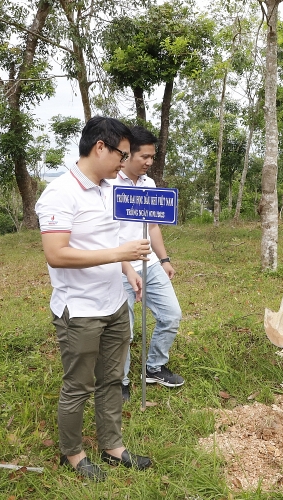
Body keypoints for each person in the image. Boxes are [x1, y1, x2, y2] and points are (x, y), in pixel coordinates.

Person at [35, 116, 153, 482]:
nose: (125, 162)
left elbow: (103, 242)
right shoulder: (59, 194)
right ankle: (73, 453)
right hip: (81, 309)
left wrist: (128, 270)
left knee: (112, 379)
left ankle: (113, 446)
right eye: (122, 154)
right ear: (100, 147)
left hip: (113, 302)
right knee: (79, 385)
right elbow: (57, 253)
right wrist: (121, 253)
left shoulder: (107, 188)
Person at [114, 126, 184, 402]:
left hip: (150, 264)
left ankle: (154, 367)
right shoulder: (109, 185)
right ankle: (121, 380)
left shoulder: (149, 185)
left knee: (171, 315)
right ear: (127, 154)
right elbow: (104, 236)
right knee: (124, 329)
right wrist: (124, 266)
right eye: (144, 156)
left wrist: (164, 259)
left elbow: (152, 225)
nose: (149, 163)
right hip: (118, 266)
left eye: (152, 157)